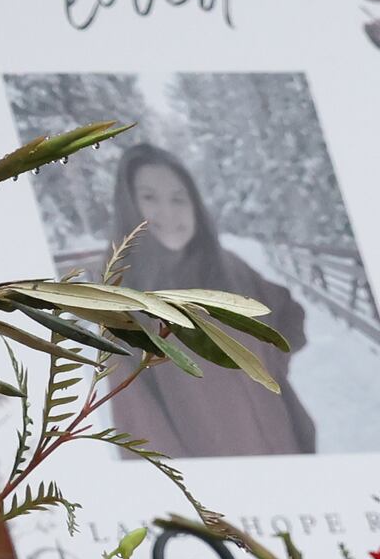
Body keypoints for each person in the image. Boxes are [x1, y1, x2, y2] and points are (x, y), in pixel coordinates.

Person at [97, 142, 317, 459]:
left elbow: (286, 311)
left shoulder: (229, 268)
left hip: (284, 444)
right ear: (128, 205)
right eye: (149, 197)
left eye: (179, 198)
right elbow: (142, 431)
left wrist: (271, 362)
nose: (168, 211)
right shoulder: (123, 304)